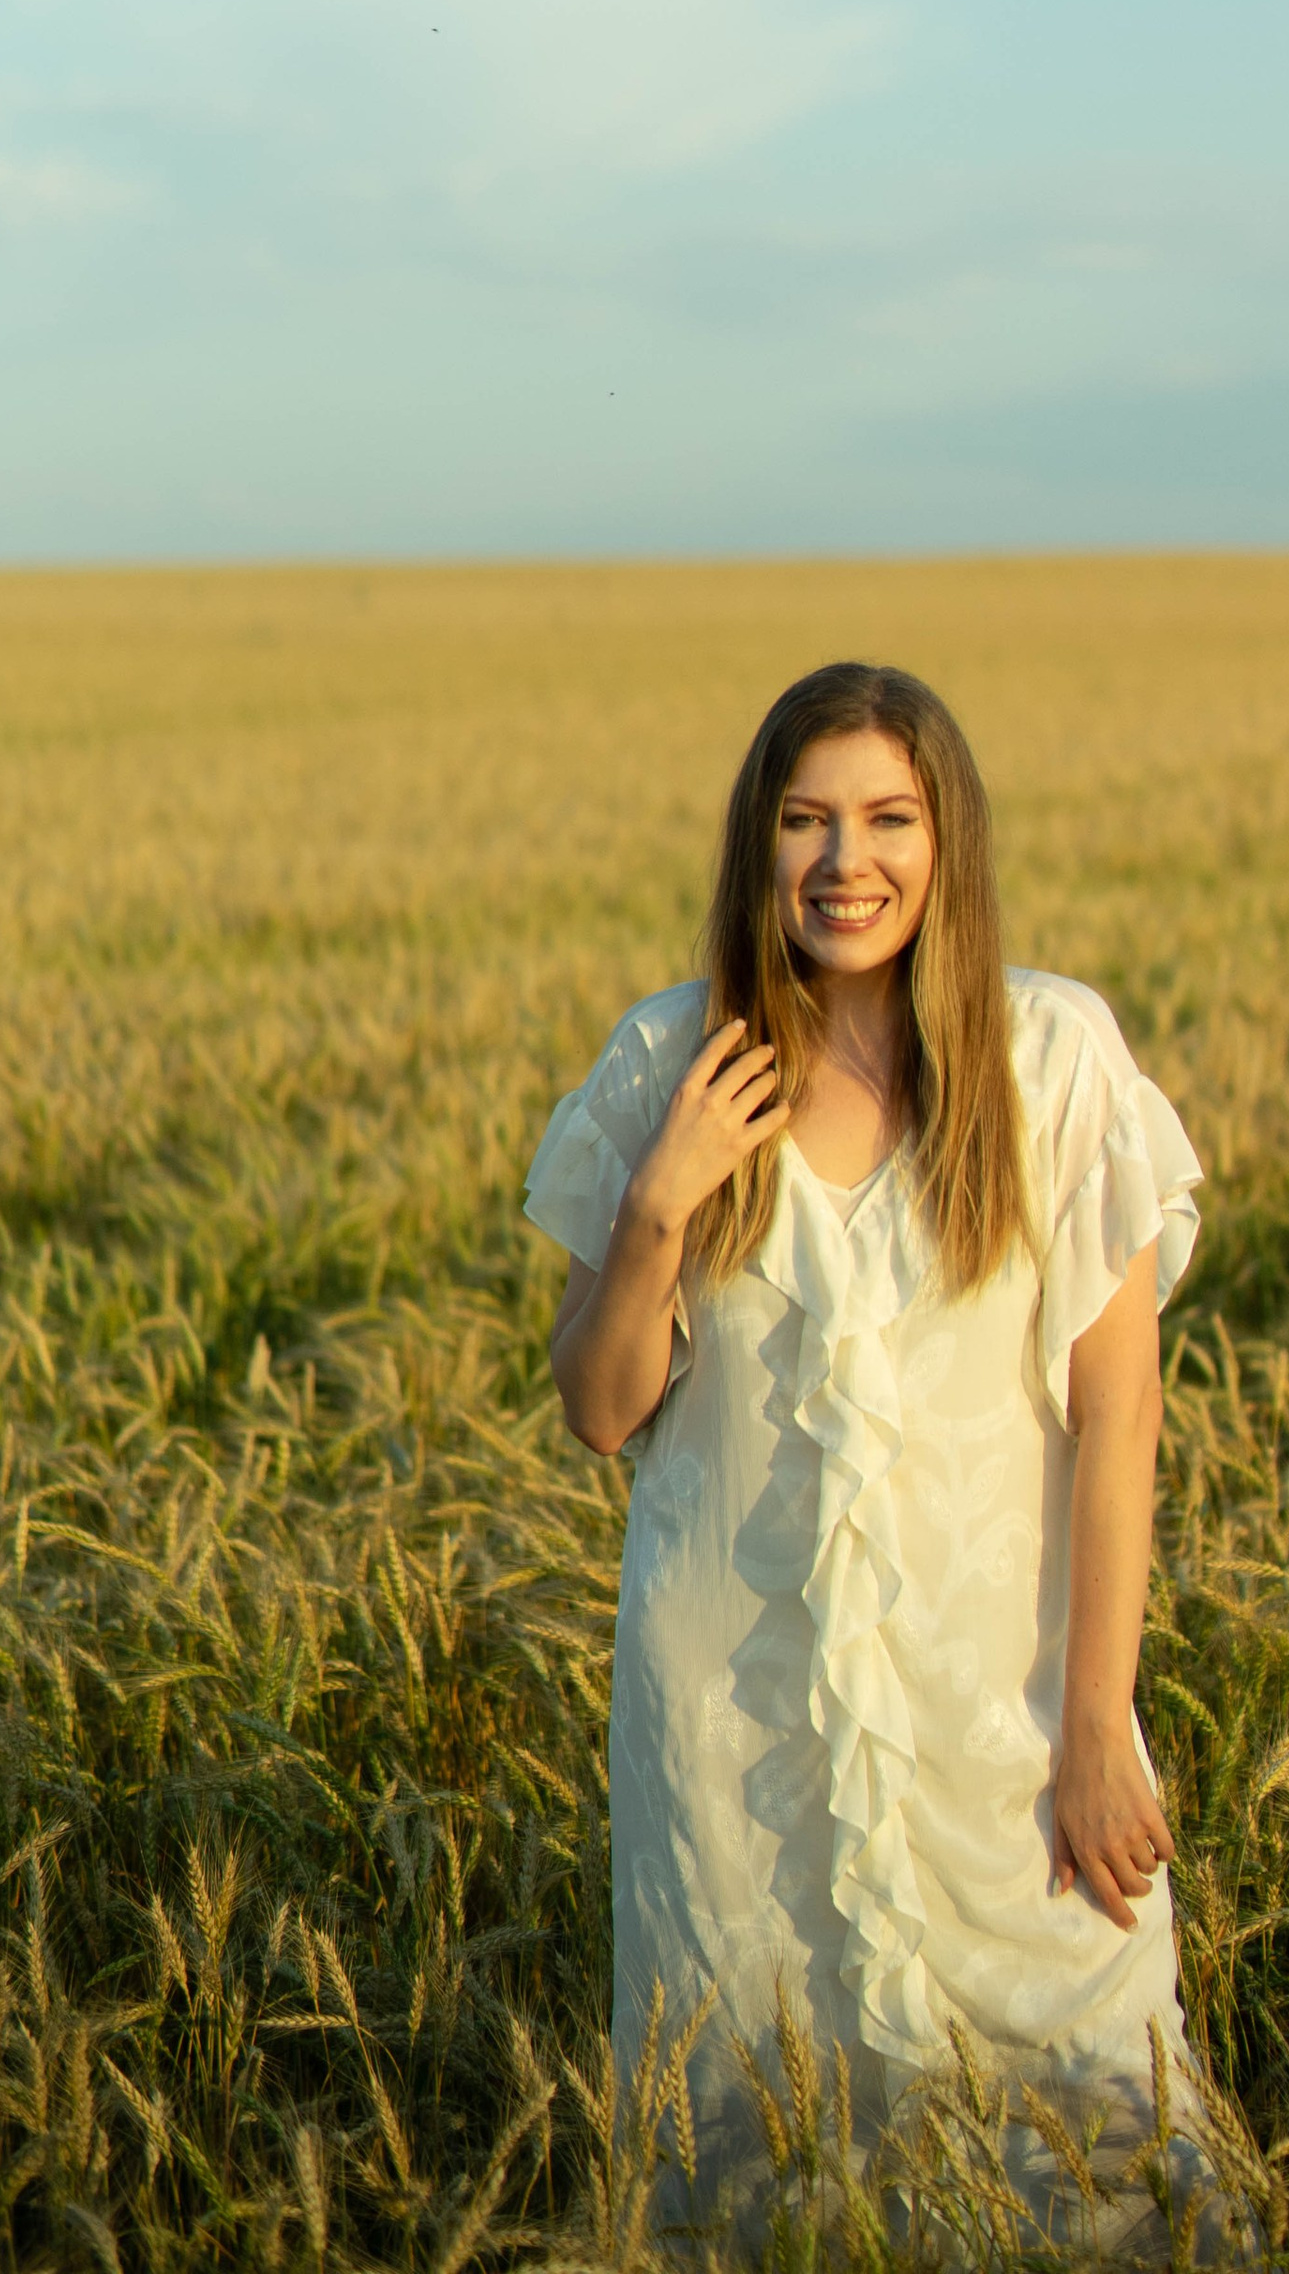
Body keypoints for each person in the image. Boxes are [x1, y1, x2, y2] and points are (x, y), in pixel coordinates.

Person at [525, 658, 1220, 2242]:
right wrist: (662, 1200)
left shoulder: (1051, 1061)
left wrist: (1100, 1723)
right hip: (732, 1732)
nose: (848, 862)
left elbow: (1121, 1412)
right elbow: (598, 1406)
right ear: (757, 847)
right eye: (808, 820)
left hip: (1001, 1721)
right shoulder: (668, 1063)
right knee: (765, 2148)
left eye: (889, 818)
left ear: (946, 840)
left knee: (1090, 2136)